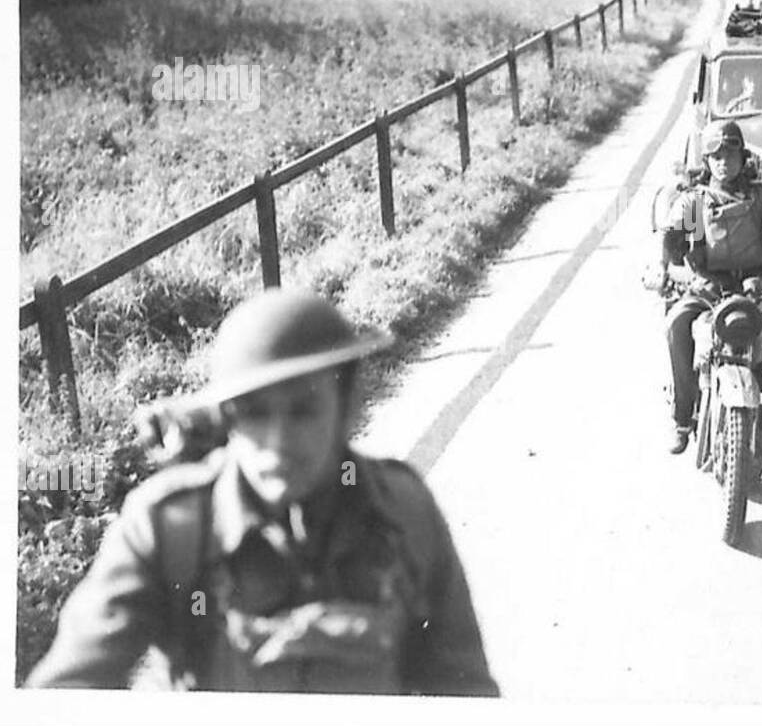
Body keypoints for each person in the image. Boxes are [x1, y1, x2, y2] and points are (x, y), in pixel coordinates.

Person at [27, 288, 498, 696]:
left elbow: (464, 689)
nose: (277, 444)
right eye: (254, 413)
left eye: (303, 411)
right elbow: (67, 695)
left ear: (348, 406)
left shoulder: (403, 511)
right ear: (228, 417)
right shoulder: (170, 527)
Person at [661, 120, 762, 455]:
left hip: (755, 287)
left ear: (742, 156)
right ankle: (683, 416)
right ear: (706, 160)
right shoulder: (696, 203)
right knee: (676, 324)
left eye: (730, 153)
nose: (722, 161)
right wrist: (668, 263)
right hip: (707, 289)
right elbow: (677, 245)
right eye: (715, 154)